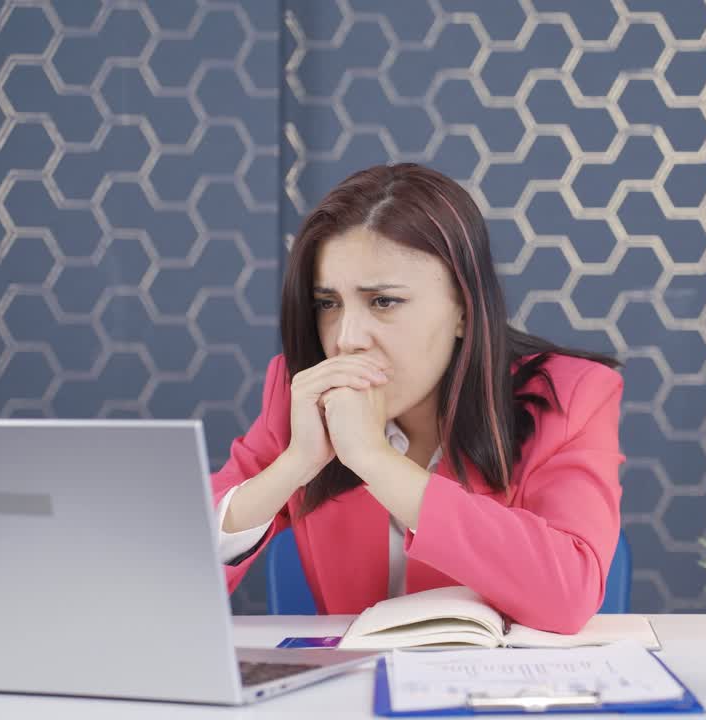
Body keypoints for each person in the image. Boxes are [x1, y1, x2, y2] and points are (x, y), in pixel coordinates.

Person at [210, 163, 624, 634]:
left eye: (383, 302)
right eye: (329, 303)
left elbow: (569, 594)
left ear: (465, 312)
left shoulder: (572, 394)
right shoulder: (303, 393)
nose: (347, 339)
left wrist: (376, 460)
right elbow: (172, 564)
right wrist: (294, 464)